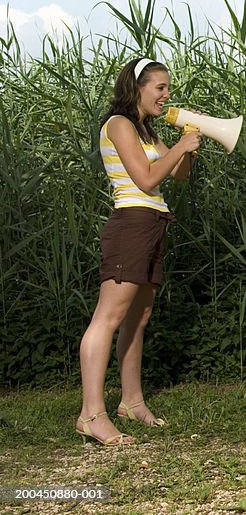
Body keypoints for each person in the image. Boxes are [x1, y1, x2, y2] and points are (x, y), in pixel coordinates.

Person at [76, 57, 201, 446]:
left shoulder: (146, 130)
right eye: (160, 87)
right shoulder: (119, 125)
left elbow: (176, 174)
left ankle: (131, 402)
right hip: (131, 223)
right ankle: (91, 415)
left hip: (152, 224)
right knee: (108, 318)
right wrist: (180, 144)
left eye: (167, 88)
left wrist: (189, 148)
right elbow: (146, 179)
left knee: (138, 318)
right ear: (137, 87)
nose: (167, 95)